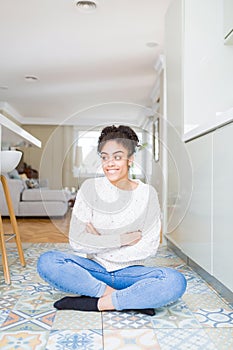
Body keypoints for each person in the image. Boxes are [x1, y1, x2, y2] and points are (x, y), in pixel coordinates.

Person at [37, 125, 186, 315]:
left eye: (117, 157)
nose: (109, 163)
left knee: (174, 281)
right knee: (47, 261)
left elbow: (149, 246)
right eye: (104, 157)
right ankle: (123, 298)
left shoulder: (147, 194)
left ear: (130, 159)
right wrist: (123, 239)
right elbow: (76, 241)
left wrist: (98, 238)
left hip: (130, 272)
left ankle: (95, 303)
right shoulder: (89, 188)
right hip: (95, 268)